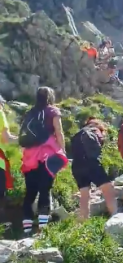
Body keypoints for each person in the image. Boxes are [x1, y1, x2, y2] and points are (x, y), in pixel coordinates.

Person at [18, 87, 68, 234]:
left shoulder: (30, 113)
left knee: (30, 193)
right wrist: (62, 150)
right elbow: (59, 132)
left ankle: (26, 229)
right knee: (45, 191)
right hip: (46, 155)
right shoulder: (52, 111)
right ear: (50, 97)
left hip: (29, 156)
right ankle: (43, 229)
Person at [70, 117, 117, 220]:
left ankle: (83, 223)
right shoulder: (95, 130)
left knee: (84, 195)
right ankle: (115, 216)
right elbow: (99, 146)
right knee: (108, 189)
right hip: (91, 163)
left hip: (77, 165)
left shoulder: (79, 133)